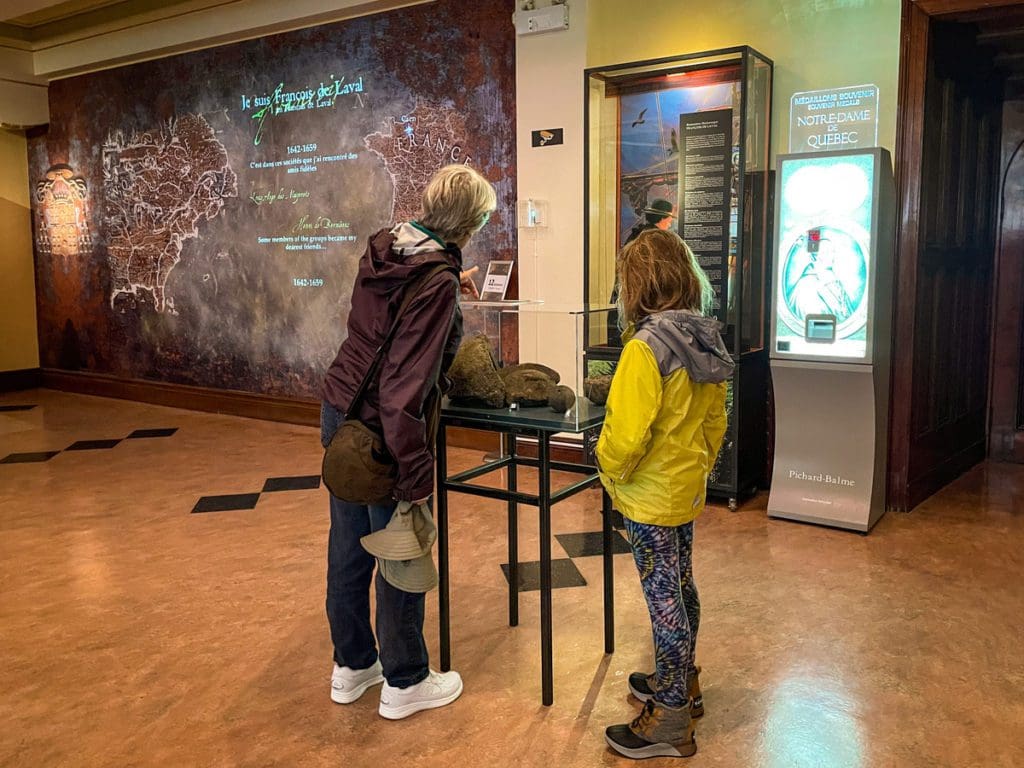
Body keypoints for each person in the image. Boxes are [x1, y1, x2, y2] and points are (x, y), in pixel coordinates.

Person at [320, 164, 496, 720]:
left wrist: (449, 279)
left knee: (348, 549)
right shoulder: (435, 281)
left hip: (340, 412)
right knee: (401, 548)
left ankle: (352, 666)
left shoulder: (388, 249)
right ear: (469, 225)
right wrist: (416, 473)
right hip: (383, 432)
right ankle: (406, 680)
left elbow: (391, 322)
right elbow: (403, 389)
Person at [597, 229, 733, 759]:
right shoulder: (705, 338)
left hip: (648, 497)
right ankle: (684, 680)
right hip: (683, 490)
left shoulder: (645, 348)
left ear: (637, 285)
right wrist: (696, 470)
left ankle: (671, 716)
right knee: (681, 584)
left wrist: (609, 470)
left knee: (663, 601)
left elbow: (626, 434)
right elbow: (715, 424)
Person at [607, 199, 677, 345]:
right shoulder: (654, 240)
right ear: (663, 218)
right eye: (670, 218)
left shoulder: (637, 236)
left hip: (630, 302)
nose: (671, 222)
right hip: (644, 306)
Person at [787, 238, 854, 323]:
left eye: (833, 251)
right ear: (815, 256)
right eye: (826, 252)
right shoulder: (806, 285)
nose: (832, 256)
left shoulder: (834, 281)